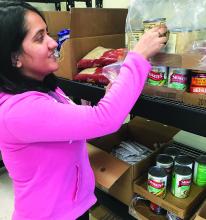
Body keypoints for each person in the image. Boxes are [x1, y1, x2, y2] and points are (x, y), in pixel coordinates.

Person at [0, 1, 167, 220]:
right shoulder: (19, 110)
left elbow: (74, 123)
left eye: (48, 33)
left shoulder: (44, 87)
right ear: (14, 57)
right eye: (39, 38)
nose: (52, 43)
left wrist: (112, 95)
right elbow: (104, 119)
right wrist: (138, 56)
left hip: (71, 207)